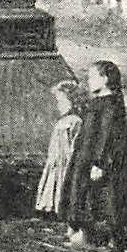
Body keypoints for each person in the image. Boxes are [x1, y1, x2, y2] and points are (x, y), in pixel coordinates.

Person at [60, 60, 127, 252]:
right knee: (82, 195)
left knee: (102, 199)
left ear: (104, 79)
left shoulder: (110, 105)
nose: (89, 81)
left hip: (98, 161)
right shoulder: (98, 102)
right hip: (86, 157)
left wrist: (100, 164)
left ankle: (111, 241)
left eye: (92, 77)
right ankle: (87, 236)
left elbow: (107, 136)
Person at [36, 80, 88, 216]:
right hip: (56, 159)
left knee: (65, 181)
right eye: (58, 101)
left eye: (62, 101)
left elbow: (75, 144)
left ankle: (64, 208)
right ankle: (51, 207)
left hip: (67, 159)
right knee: (53, 181)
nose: (59, 105)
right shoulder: (62, 121)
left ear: (72, 101)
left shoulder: (75, 121)